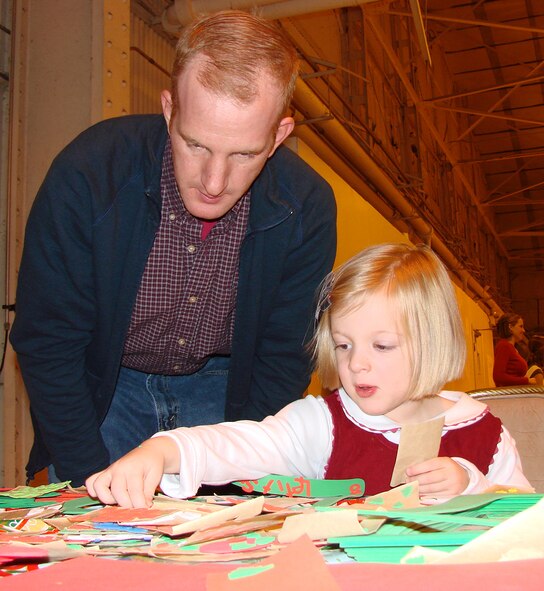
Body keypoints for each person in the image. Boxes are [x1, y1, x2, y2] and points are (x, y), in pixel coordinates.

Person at [9, 10, 337, 487]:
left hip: (227, 397)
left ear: (278, 136)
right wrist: (86, 477)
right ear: (169, 110)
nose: (213, 182)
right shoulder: (90, 174)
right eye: (195, 144)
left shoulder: (305, 207)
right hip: (103, 392)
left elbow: (284, 357)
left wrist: (241, 460)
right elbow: (48, 340)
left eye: (244, 153)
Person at [86, 243, 532, 509]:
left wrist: (472, 485)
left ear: (433, 340)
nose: (357, 364)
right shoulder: (323, 423)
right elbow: (246, 443)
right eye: (344, 344)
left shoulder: (484, 432)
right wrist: (162, 449)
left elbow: (525, 515)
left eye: (382, 346)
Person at [493, 313, 538, 387]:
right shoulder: (504, 346)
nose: (523, 330)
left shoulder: (511, 348)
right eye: (521, 326)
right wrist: (526, 380)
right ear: (510, 327)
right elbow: (498, 377)